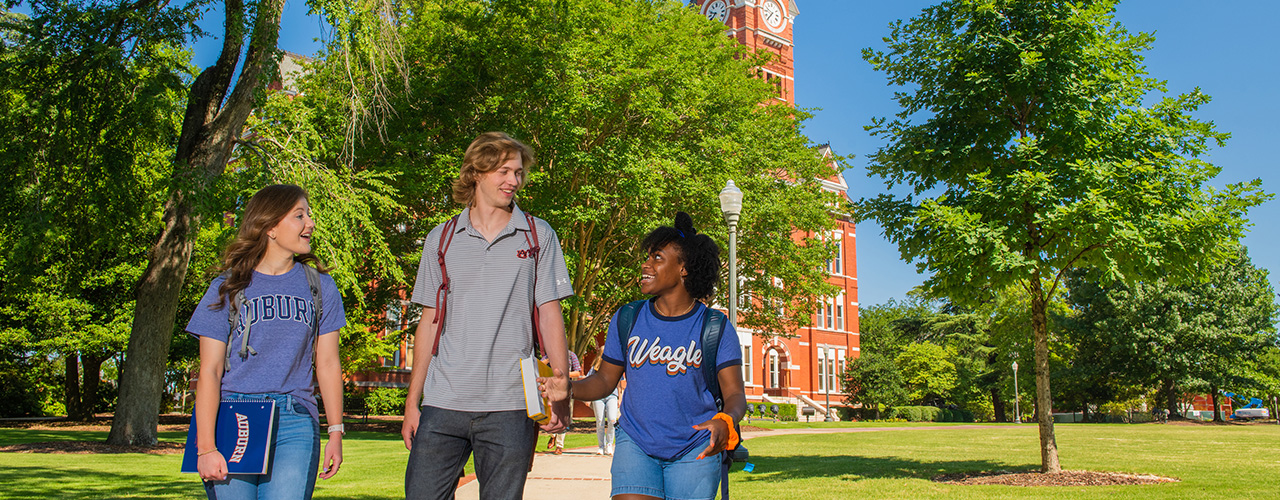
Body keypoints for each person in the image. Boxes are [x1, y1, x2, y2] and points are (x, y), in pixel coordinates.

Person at [402, 132, 575, 500]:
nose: (514, 181)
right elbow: (429, 323)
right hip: (443, 401)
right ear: (476, 173)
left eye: (518, 173)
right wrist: (412, 402)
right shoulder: (441, 238)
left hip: (511, 404)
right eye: (503, 171)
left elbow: (549, 315)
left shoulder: (537, 235)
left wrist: (560, 394)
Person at [543, 212, 746, 500]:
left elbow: (736, 394)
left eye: (657, 258)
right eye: (647, 257)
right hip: (635, 444)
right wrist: (569, 388)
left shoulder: (714, 327)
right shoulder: (628, 318)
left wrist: (726, 420)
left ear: (684, 269)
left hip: (695, 447)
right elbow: (604, 380)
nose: (645, 265)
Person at [188, 184, 347, 499]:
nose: (310, 223)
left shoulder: (321, 287)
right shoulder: (226, 288)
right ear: (271, 226)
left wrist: (336, 431)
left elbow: (328, 364)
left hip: (295, 422)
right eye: (299, 215)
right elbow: (210, 371)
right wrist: (206, 448)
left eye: (309, 215)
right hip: (234, 419)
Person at [544, 350, 583, 455]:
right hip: (551, 388)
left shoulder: (571, 356)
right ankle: (553, 436)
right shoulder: (549, 355)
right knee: (552, 414)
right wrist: (548, 360)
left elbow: (578, 372)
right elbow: (539, 366)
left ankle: (559, 446)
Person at [586, 355, 621, 456]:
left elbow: (618, 383)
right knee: (600, 421)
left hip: (612, 395)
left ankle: (609, 444)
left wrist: (620, 398)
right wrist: (588, 397)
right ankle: (601, 446)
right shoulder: (594, 369)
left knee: (612, 419)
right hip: (598, 396)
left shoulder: (614, 366)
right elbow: (588, 382)